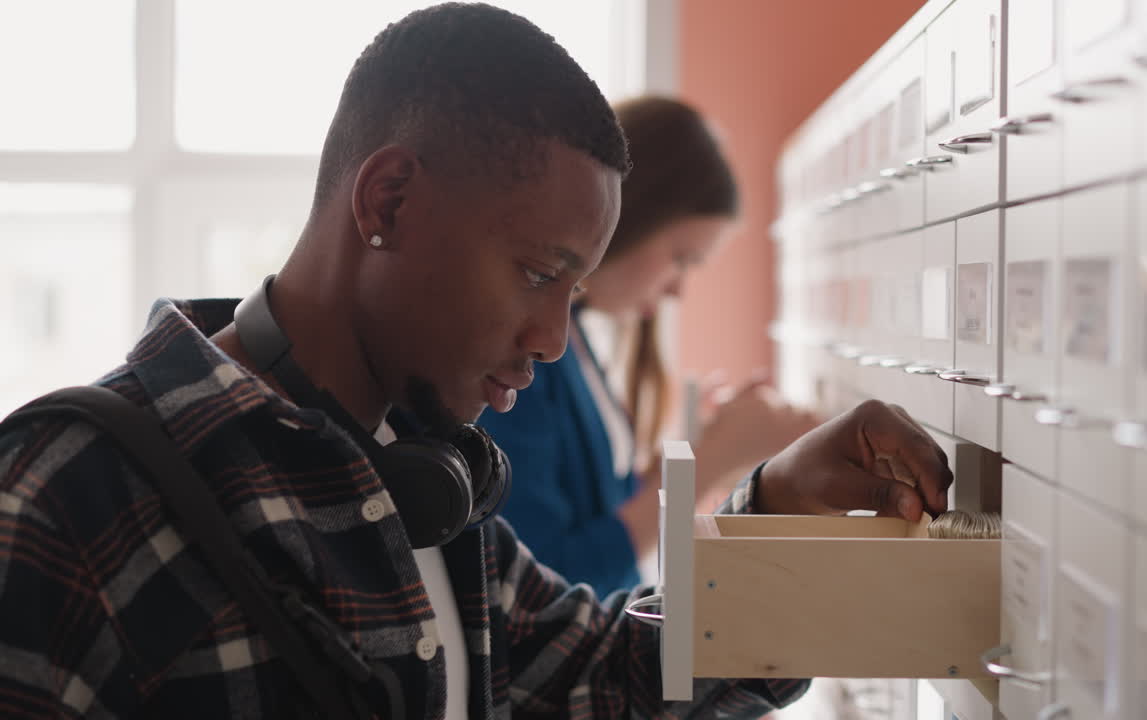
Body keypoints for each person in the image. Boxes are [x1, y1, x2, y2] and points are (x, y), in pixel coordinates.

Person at [0, 5, 952, 719]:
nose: (553, 339)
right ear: (389, 202)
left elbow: (608, 679)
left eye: (573, 292)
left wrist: (777, 511)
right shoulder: (64, 494)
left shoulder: (425, 479)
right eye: (538, 274)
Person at [479, 96, 820, 596]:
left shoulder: (574, 342)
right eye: (680, 258)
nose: (678, 290)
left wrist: (696, 454)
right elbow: (543, 578)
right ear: (631, 215)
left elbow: (597, 507)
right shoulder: (529, 355)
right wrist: (709, 464)